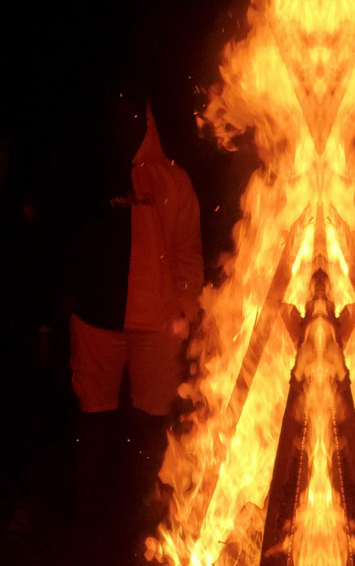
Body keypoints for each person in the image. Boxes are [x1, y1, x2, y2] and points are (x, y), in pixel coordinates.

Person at [67, 85, 203, 554]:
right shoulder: (88, 173)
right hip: (97, 321)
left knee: (153, 427)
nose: (124, 120)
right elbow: (67, 241)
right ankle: (89, 528)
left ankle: (147, 524)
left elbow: (187, 249)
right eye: (117, 111)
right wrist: (67, 299)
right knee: (94, 423)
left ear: (146, 117)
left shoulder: (172, 180)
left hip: (156, 324)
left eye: (133, 113)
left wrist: (186, 307)